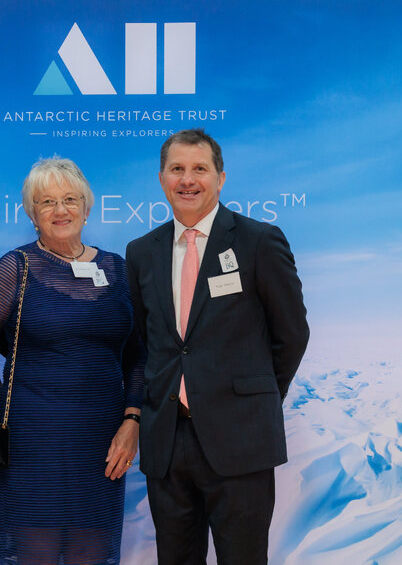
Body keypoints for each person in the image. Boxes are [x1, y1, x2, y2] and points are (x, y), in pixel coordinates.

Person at [125, 128, 309, 564]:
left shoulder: (259, 241)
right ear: (162, 179)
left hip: (241, 439)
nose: (188, 180)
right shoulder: (141, 252)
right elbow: (144, 342)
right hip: (167, 443)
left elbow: (291, 334)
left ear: (220, 178)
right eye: (177, 169)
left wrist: (255, 398)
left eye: (200, 169)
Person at [0, 156, 144, 564]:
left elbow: (138, 355)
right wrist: (0, 398)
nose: (60, 210)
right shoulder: (16, 268)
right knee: (33, 552)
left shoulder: (117, 269)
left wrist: (132, 419)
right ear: (32, 214)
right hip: (30, 444)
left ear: (86, 206)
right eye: (46, 202)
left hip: (101, 444)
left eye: (69, 199)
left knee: (92, 553)